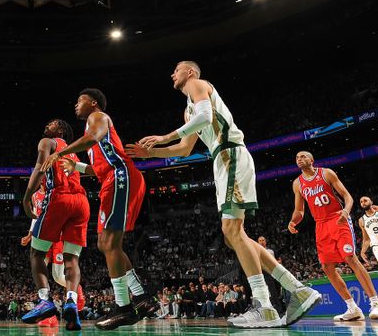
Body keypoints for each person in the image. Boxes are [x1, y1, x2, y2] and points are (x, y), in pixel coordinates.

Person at [127, 61, 320, 328]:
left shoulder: (197, 85)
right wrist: (153, 153)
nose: (173, 73)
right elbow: (184, 150)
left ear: (191, 72)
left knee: (231, 230)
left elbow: (206, 118)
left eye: (177, 69)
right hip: (222, 160)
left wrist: (163, 137)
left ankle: (264, 305)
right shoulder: (188, 110)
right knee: (234, 237)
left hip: (230, 154)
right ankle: (296, 289)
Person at [40, 88, 152, 331]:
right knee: (106, 244)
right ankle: (141, 297)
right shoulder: (92, 130)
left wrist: (61, 152)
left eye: (79, 101)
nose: (76, 105)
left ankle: (124, 307)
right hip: (111, 179)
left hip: (120, 177)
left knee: (109, 243)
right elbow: (98, 168)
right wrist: (78, 166)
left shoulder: (97, 118)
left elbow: (93, 138)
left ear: (93, 103)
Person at [289, 151, 378, 320]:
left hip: (338, 218)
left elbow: (347, 197)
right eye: (297, 158)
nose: (299, 159)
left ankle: (375, 302)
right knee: (327, 267)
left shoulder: (326, 173)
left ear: (311, 159)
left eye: (303, 156)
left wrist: (345, 211)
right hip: (320, 224)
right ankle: (352, 308)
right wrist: (293, 221)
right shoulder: (297, 184)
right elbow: (299, 210)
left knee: (350, 258)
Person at [21, 119, 90, 331]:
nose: (45, 126)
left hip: (60, 199)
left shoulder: (48, 142)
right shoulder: (73, 153)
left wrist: (26, 197)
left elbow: (40, 168)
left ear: (60, 130)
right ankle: (70, 300)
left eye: (50, 124)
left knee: (36, 254)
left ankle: (44, 300)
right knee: (72, 258)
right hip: (81, 203)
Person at [358, 196, 378, 267]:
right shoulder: (361, 220)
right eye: (361, 202)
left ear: (371, 202)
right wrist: (362, 251)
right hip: (376, 245)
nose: (363, 203)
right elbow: (366, 239)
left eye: (365, 200)